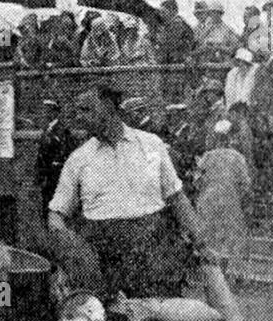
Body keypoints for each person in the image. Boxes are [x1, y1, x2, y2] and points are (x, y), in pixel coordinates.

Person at [47, 84, 213, 298]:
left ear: (108, 107)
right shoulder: (78, 159)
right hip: (103, 260)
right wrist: (70, 248)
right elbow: (56, 214)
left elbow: (178, 199)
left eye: (86, 109)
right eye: (78, 110)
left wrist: (202, 244)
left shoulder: (152, 145)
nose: (79, 117)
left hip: (154, 253)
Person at [194, 120, 251, 277]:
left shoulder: (207, 157)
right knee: (225, 239)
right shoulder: (238, 158)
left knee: (211, 238)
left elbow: (197, 181)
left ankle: (214, 276)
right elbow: (245, 184)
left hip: (208, 201)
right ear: (230, 137)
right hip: (229, 201)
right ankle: (221, 274)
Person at [35, 99, 75, 211]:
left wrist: (56, 165)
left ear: (55, 113)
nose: (45, 114)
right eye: (44, 111)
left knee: (54, 207)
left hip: (55, 176)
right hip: (46, 176)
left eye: (48, 111)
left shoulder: (62, 130)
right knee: (46, 206)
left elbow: (67, 150)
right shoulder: (47, 129)